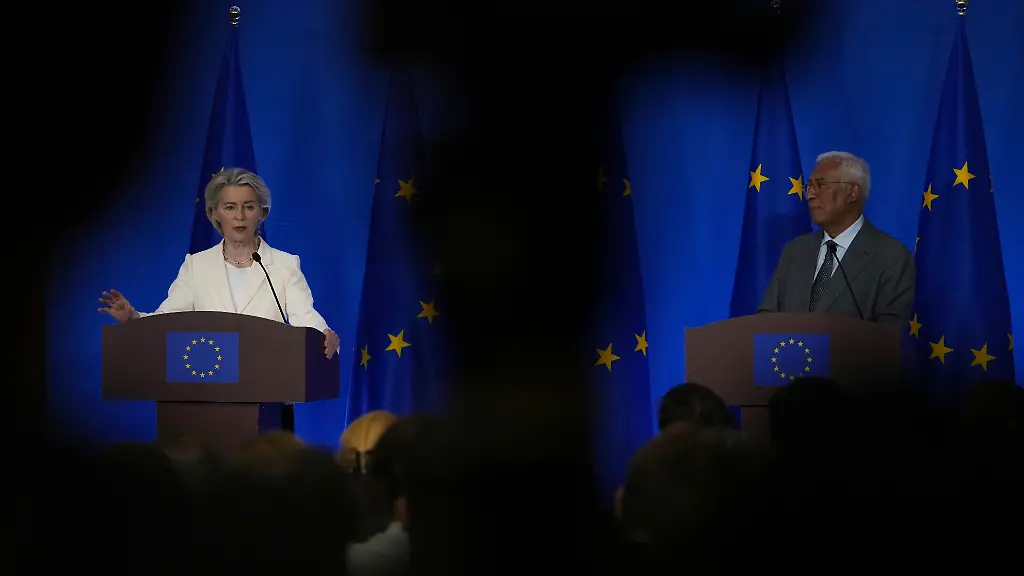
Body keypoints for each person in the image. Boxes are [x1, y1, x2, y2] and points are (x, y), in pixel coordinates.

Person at [98, 168, 340, 358]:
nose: (239, 216)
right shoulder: (196, 266)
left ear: (262, 213)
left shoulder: (285, 265)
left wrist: (324, 337)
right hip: (209, 386)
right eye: (230, 207)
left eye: (248, 207)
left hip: (269, 386)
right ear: (214, 213)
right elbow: (168, 319)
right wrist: (134, 319)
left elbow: (306, 317)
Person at [757, 151, 915, 330]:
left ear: (852, 192)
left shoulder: (892, 257)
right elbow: (765, 320)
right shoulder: (795, 251)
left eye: (821, 185)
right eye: (809, 186)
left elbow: (889, 336)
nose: (810, 195)